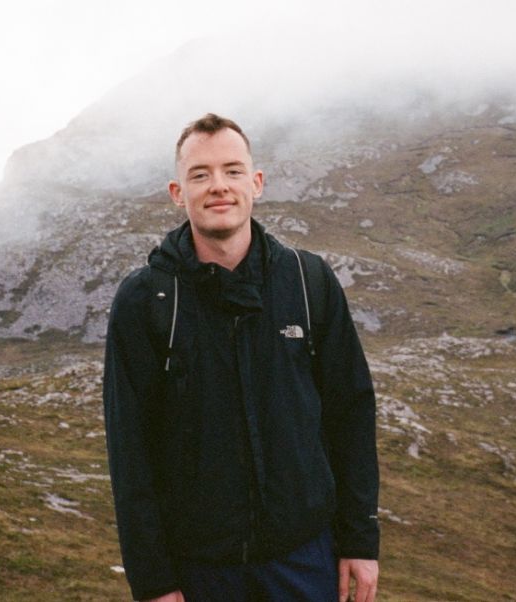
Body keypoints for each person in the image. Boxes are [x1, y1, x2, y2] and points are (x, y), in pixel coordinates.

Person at [103, 113, 379, 602]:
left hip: (305, 560)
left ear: (256, 183)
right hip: (199, 571)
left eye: (232, 171)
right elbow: (131, 452)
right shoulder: (145, 301)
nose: (218, 187)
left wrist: (360, 541)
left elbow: (350, 415)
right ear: (176, 192)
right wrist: (153, 582)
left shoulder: (308, 281)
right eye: (200, 174)